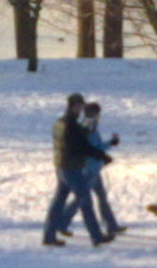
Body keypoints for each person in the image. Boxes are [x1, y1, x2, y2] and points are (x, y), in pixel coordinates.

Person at [42, 93, 115, 247]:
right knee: (85, 202)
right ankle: (97, 237)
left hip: (61, 167)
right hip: (72, 169)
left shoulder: (60, 122)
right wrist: (101, 155)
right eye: (80, 106)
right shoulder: (71, 125)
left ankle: (48, 236)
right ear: (75, 106)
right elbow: (81, 147)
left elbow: (79, 140)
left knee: (58, 203)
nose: (82, 109)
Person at [58, 102, 127, 237]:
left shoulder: (92, 127)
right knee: (81, 199)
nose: (98, 116)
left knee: (102, 198)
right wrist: (102, 156)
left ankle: (111, 225)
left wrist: (110, 144)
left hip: (95, 169)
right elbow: (88, 150)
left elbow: (98, 146)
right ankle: (61, 223)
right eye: (97, 113)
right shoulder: (86, 128)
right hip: (88, 170)